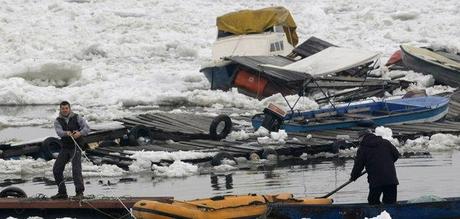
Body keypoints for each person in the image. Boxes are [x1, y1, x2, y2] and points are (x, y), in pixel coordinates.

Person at [350, 129, 400, 205]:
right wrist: (387, 163)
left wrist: (353, 176)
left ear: (361, 138)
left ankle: (375, 215)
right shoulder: (385, 143)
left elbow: (358, 166)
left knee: (373, 202)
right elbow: (396, 155)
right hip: (391, 179)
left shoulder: (363, 148)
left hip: (376, 181)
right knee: (391, 203)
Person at [51, 101, 90, 199]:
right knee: (57, 169)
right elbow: (59, 132)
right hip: (65, 147)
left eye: (66, 108)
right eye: (63, 108)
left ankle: (79, 193)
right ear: (60, 109)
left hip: (76, 146)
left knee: (76, 169)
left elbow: (87, 128)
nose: (64, 110)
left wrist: (80, 133)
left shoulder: (77, 117)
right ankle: (62, 192)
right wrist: (66, 133)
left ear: (69, 109)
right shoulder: (57, 121)